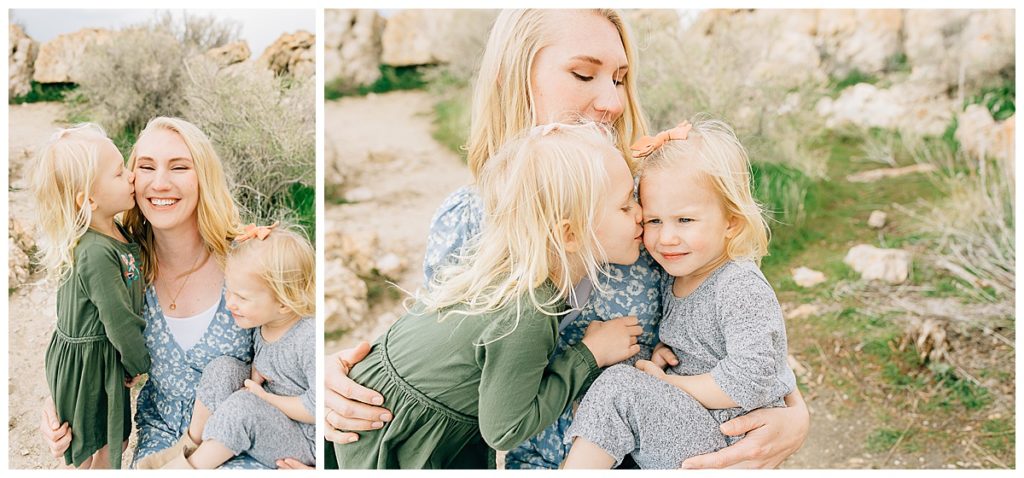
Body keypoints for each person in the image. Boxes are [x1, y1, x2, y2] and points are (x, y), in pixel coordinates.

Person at [325, 9, 809, 469]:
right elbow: (446, 358)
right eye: (584, 75)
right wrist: (329, 378)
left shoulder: (647, 211)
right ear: (513, 77)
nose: (613, 100)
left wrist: (795, 414)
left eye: (619, 78)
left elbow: (737, 312)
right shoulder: (469, 218)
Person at [334, 123, 644, 468]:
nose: (640, 213)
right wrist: (589, 355)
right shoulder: (527, 312)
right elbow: (506, 430)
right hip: (394, 436)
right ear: (569, 234)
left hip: (386, 414)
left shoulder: (499, 273)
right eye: (625, 205)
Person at [38, 117, 298, 469]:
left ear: (202, 176)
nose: (160, 183)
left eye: (179, 167)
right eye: (145, 167)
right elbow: (79, 337)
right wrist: (59, 407)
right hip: (162, 442)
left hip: (247, 443)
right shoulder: (119, 263)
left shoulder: (248, 259)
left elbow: (300, 346)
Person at [563, 118, 796, 468]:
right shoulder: (676, 276)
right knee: (616, 378)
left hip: (729, 438)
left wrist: (674, 384)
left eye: (684, 221)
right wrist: (663, 356)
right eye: (654, 221)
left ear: (731, 221)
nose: (666, 237)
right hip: (697, 425)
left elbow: (753, 379)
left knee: (618, 389)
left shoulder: (738, 285)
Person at [137, 222, 316, 469]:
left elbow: (316, 407)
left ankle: (188, 468)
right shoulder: (267, 321)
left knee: (245, 406)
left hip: (303, 440)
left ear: (284, 302)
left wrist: (264, 398)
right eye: (229, 291)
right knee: (224, 368)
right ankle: (189, 444)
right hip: (270, 414)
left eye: (241, 297)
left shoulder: (308, 337)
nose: (230, 303)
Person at [30, 123, 150, 469]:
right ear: (89, 199)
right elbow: (119, 321)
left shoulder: (113, 228)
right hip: (89, 362)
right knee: (99, 443)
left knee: (110, 438)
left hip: (95, 356)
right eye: (119, 173)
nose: (130, 177)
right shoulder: (94, 251)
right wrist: (138, 365)